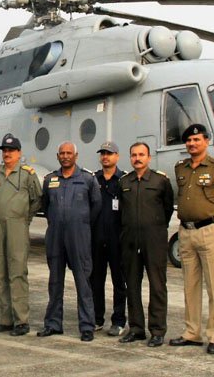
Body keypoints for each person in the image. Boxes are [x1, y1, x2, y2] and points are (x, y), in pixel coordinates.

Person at [169, 124, 214, 355]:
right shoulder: (181, 168)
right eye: (189, 141)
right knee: (190, 286)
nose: (192, 144)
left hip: (210, 230)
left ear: (206, 141)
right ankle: (192, 332)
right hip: (186, 232)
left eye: (196, 140)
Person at [37, 142, 101, 342]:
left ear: (76, 156)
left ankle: (87, 326)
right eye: (62, 153)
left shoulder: (87, 179)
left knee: (83, 282)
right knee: (55, 282)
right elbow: (46, 206)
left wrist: (79, 223)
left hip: (79, 237)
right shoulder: (50, 180)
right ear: (58, 156)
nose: (65, 156)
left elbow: (96, 206)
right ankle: (53, 323)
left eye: (69, 153)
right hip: (56, 236)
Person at [117, 142, 174, 348]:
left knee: (157, 286)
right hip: (130, 241)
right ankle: (136, 328)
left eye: (141, 155)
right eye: (134, 155)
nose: (137, 158)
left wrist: (154, 227)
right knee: (132, 285)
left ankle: (157, 330)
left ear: (149, 158)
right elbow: (121, 212)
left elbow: (168, 208)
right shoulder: (124, 182)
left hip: (154, 240)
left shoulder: (161, 181)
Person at [0, 133, 41, 337]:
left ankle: (21, 320)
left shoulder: (27, 174)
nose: (7, 153)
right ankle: (6, 319)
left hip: (17, 226)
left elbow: (37, 199)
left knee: (17, 272)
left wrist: (25, 219)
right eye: (4, 150)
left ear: (19, 153)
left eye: (11, 150)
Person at [90, 141, 127, 337]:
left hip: (117, 240)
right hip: (97, 239)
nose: (105, 157)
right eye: (103, 153)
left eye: (109, 153)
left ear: (117, 157)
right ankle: (97, 318)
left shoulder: (123, 181)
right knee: (96, 281)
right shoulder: (93, 180)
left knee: (119, 282)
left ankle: (119, 320)